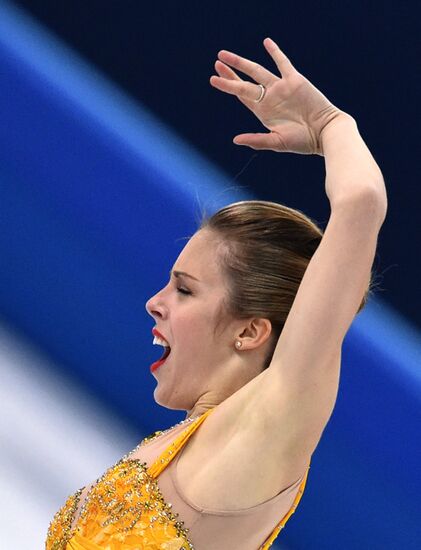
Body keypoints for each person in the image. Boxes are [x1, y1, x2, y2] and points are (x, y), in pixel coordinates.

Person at [45, 37, 387, 550]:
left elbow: (360, 202)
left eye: (184, 290)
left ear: (250, 331)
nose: (154, 302)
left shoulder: (264, 429)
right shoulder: (186, 441)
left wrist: (331, 126)